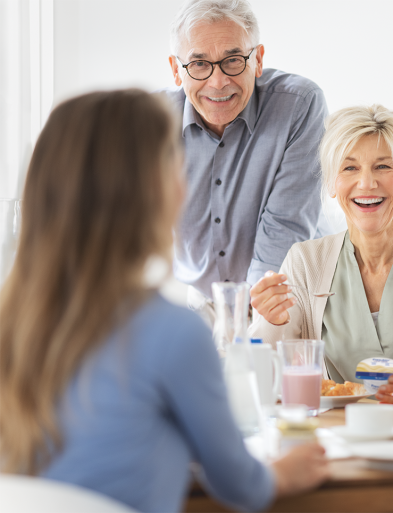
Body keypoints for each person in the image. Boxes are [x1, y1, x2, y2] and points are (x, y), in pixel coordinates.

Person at [0, 90, 329, 512]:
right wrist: (284, 471)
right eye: (175, 164)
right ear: (152, 193)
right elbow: (240, 483)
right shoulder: (174, 332)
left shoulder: (13, 321)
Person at [248, 105, 393, 417]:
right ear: (331, 184)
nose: (367, 183)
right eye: (350, 168)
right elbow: (267, 386)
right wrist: (270, 323)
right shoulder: (305, 263)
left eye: (383, 167)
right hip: (332, 446)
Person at [166, 0, 332, 323]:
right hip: (202, 303)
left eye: (233, 60)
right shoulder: (152, 124)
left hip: (283, 295)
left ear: (257, 60)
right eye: (199, 64)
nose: (218, 82)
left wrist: (252, 323)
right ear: (176, 70)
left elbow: (286, 225)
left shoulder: (300, 107)